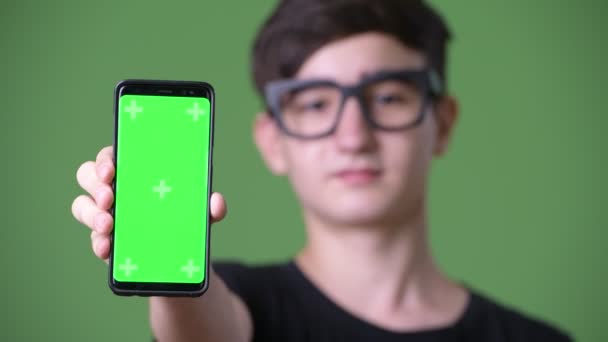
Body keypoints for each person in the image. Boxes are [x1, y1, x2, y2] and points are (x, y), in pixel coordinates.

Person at [71, 0, 573, 341]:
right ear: (272, 142)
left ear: (441, 123)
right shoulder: (240, 301)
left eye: (390, 97)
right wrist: (162, 261)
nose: (353, 136)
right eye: (313, 105)